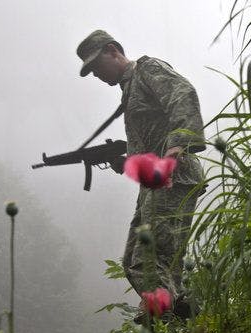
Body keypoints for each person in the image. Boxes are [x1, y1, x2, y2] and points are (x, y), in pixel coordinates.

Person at [76, 30, 206, 318]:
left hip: (173, 175)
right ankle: (183, 312)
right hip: (155, 182)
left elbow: (183, 95)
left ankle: (167, 320)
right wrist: (125, 163)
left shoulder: (148, 69)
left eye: (97, 66)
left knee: (149, 258)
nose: (96, 75)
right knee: (135, 260)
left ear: (113, 50)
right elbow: (149, 139)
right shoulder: (130, 88)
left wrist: (176, 148)